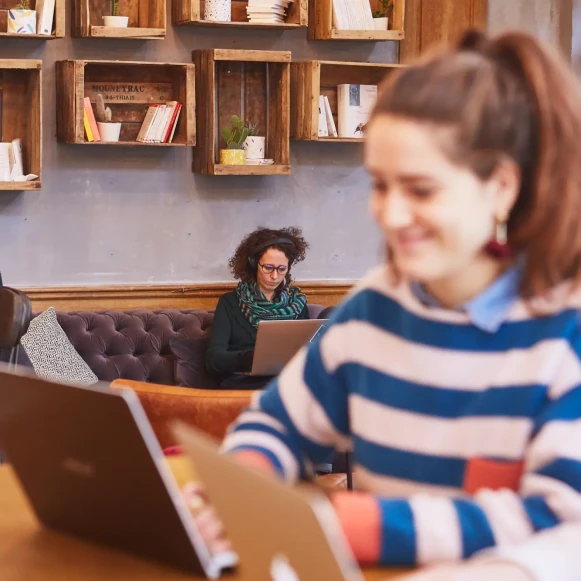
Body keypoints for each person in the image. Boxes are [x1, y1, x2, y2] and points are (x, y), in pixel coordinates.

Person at [189, 28, 581, 581]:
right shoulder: (375, 307)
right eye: (380, 185)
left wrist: (353, 524)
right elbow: (276, 424)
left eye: (421, 190)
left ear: (500, 187)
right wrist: (240, 486)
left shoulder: (564, 331)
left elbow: (558, 521)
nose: (391, 215)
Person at [205, 227, 310, 387]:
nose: (275, 276)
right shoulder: (230, 302)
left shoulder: (297, 304)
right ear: (254, 265)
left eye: (281, 269)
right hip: (243, 383)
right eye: (268, 267)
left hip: (286, 383)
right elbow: (214, 360)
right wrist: (252, 357)